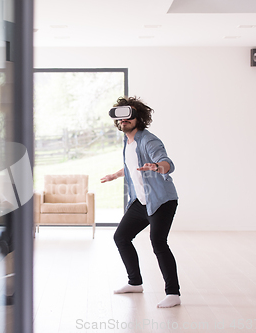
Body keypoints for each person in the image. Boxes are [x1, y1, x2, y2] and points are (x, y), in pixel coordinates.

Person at [101, 96, 180, 308]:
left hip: (161, 201)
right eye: (121, 118)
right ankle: (135, 282)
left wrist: (156, 166)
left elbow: (167, 163)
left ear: (139, 118)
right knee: (121, 237)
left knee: (158, 243)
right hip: (141, 202)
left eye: (129, 117)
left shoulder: (149, 140)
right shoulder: (128, 142)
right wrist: (115, 175)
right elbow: (131, 167)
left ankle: (173, 293)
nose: (124, 121)